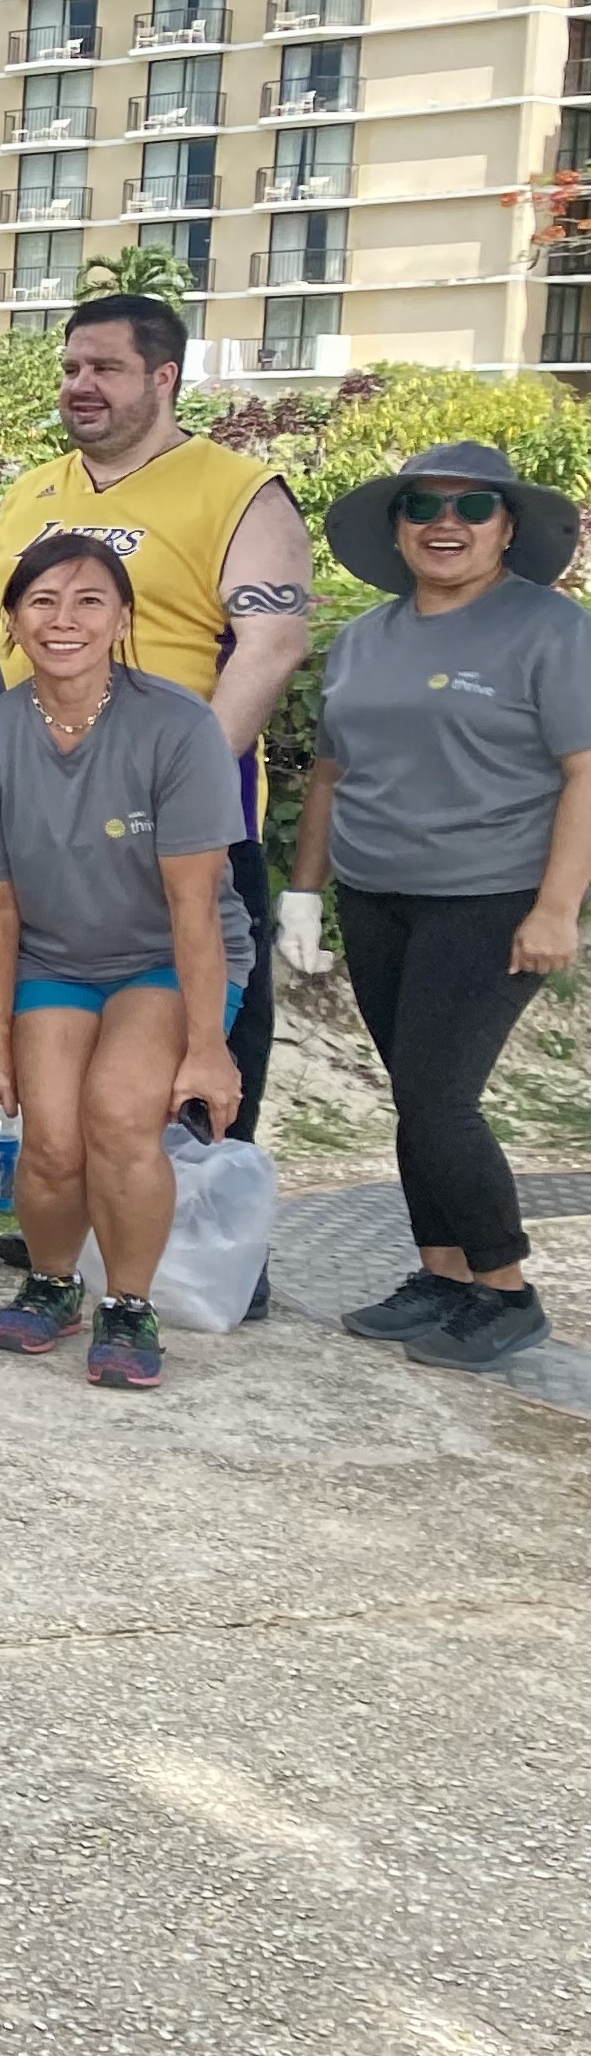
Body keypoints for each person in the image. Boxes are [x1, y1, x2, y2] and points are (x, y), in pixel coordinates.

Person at [0, 294, 310, 1159]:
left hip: (174, 831)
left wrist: (181, 789)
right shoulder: (32, 491)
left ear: (164, 377)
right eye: (71, 368)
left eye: (106, 368)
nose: (81, 385)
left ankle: (200, 1232)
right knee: (59, 1082)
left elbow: (272, 646)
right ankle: (75, 1217)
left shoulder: (239, 492)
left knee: (191, 1086)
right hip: (37, 830)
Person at [292, 444, 591, 1372]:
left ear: (508, 527)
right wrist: (302, 892)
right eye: (423, 506)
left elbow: (584, 772)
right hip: (376, 894)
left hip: (489, 896)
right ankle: (442, 1274)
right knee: (412, 1094)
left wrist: (557, 907)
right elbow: (330, 774)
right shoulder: (365, 637)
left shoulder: (551, 627)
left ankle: (506, 1288)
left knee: (438, 1096)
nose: (445, 524)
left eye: (472, 507)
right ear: (397, 527)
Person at [0, 531, 251, 1392]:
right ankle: (52, 1284)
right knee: (50, 1140)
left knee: (118, 1116)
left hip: (165, 957)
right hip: (54, 957)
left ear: (122, 620)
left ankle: (128, 1302)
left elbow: (194, 906)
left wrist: (207, 1045)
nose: (64, 620)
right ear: (11, 622)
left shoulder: (178, 727)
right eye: (41, 602)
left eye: (89, 601)